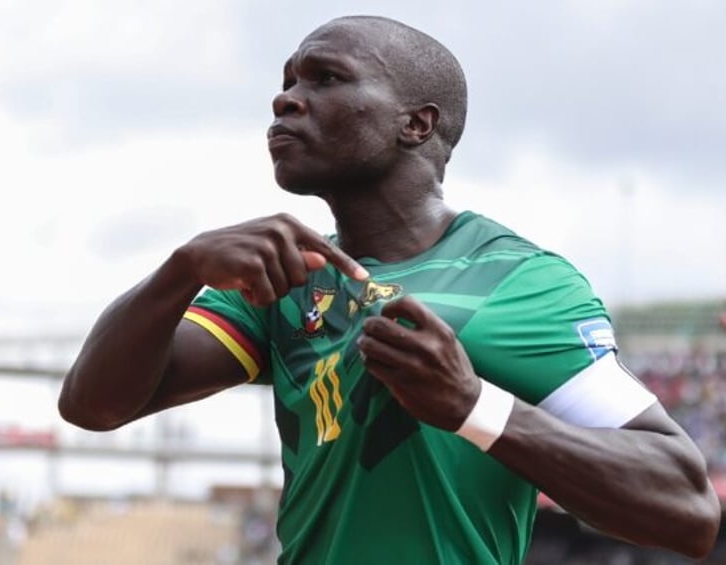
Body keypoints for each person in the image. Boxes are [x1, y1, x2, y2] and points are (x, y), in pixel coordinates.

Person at [58, 15, 721, 564]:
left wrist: (472, 405)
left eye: (326, 79)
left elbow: (688, 508)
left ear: (417, 124)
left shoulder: (518, 281)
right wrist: (181, 270)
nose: (285, 98)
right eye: (287, 81)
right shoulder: (286, 278)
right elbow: (95, 406)